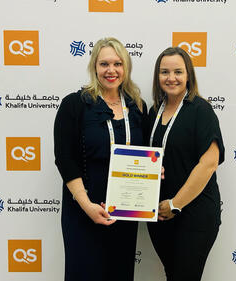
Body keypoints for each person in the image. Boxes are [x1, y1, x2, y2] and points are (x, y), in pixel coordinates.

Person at [54, 37, 147, 281]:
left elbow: (145, 153)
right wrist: (87, 205)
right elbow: (65, 159)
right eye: (104, 64)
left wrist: (152, 171)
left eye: (117, 64)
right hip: (84, 211)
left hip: (124, 212)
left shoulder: (138, 106)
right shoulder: (74, 104)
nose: (111, 70)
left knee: (120, 273)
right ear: (94, 66)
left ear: (125, 67)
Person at [147, 47, 225, 281]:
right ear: (157, 77)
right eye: (164, 72)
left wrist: (176, 204)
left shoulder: (201, 110)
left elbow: (209, 164)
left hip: (194, 213)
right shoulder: (153, 112)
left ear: (188, 75)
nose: (171, 78)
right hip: (161, 214)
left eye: (178, 71)